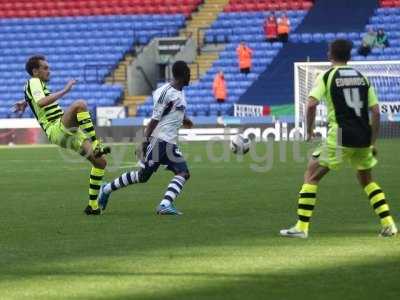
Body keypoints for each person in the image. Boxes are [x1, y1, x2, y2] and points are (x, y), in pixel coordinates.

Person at [280, 39, 397, 238]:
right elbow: (376, 112)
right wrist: (372, 142)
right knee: (367, 179)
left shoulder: (326, 77)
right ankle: (389, 225)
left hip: (341, 135)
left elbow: (310, 105)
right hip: (362, 136)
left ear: (329, 55)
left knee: (311, 174)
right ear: (349, 57)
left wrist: (309, 131)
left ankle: (301, 227)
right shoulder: (362, 78)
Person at [13, 55, 110, 215]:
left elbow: (34, 99)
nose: (48, 71)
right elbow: (41, 102)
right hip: (56, 127)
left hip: (68, 133)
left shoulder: (35, 85)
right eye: (45, 68)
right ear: (35, 71)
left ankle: (92, 206)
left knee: (100, 163)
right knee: (80, 104)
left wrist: (24, 102)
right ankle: (96, 143)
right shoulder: (34, 82)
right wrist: (65, 90)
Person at [98, 61, 193, 215]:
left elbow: (173, 111)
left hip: (170, 143)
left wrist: (185, 119)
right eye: (188, 73)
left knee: (183, 173)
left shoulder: (180, 91)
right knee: (143, 176)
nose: (190, 76)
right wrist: (143, 141)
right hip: (159, 141)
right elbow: (154, 119)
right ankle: (106, 188)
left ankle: (165, 204)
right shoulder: (166, 93)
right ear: (182, 75)